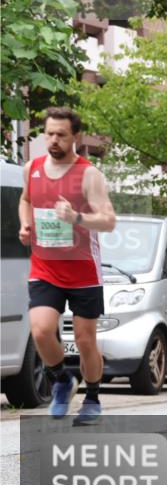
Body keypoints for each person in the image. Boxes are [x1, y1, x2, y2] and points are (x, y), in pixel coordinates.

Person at [18, 107, 116, 425]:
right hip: (45, 266)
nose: (54, 140)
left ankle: (93, 399)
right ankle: (62, 380)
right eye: (49, 133)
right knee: (42, 330)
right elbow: (26, 200)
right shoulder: (32, 168)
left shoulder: (89, 174)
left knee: (85, 339)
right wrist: (25, 225)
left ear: (75, 136)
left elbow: (108, 220)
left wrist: (76, 217)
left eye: (61, 134)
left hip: (83, 268)